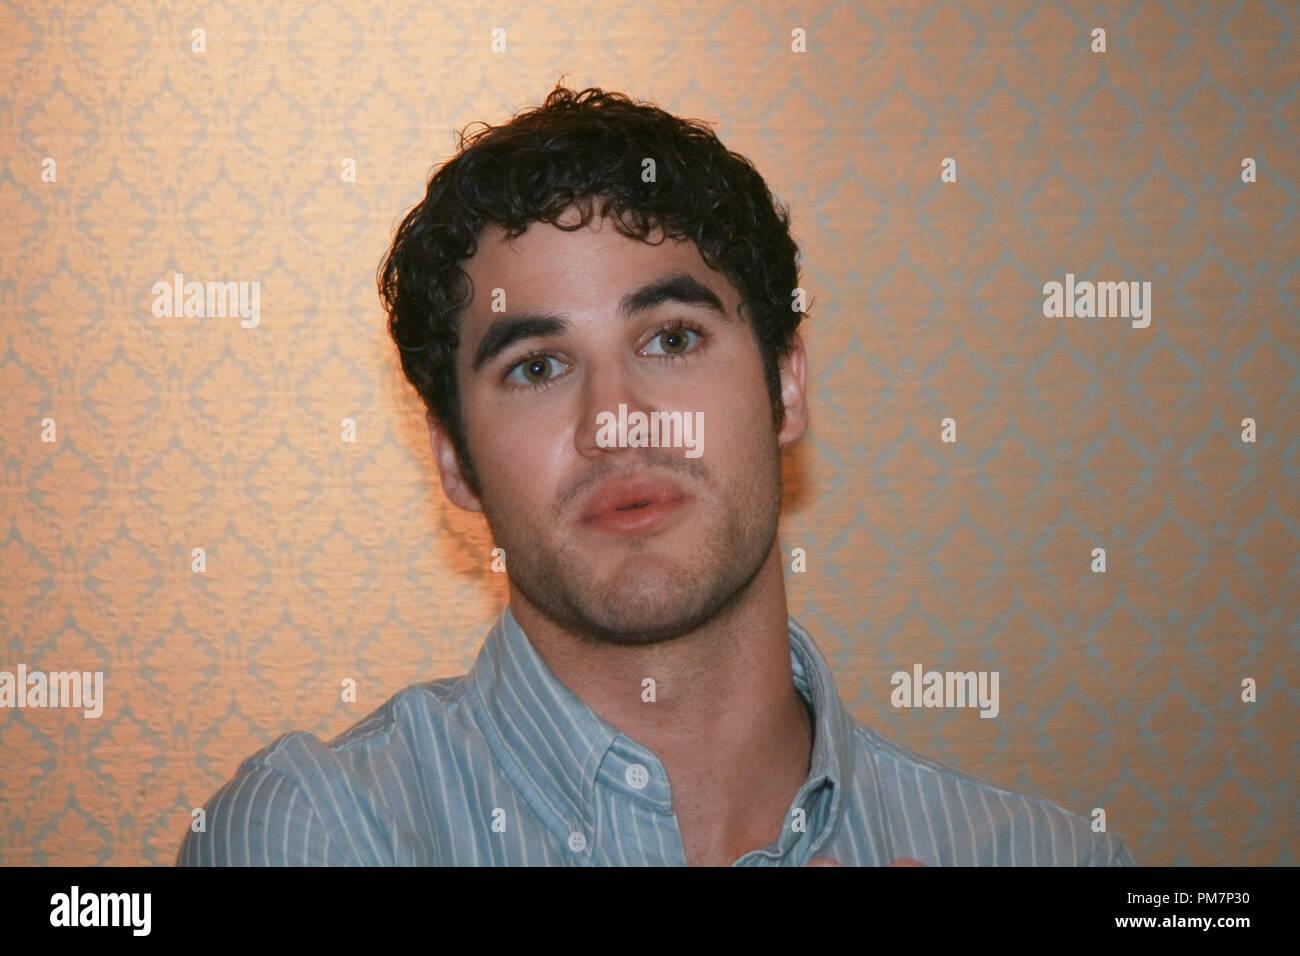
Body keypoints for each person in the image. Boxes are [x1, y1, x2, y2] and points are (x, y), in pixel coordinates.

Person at [178, 85, 1134, 866]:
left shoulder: (1043, 860)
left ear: (785, 389)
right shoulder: (309, 835)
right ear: (453, 461)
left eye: (671, 338)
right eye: (537, 366)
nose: (617, 421)